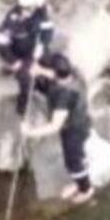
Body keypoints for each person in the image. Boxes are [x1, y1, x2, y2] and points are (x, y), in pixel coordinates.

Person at [22, 54, 94, 204]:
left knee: (72, 162)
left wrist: (29, 131)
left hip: (74, 129)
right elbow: (53, 76)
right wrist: (39, 71)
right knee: (78, 154)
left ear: (54, 74)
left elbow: (55, 126)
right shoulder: (74, 74)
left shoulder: (65, 95)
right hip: (82, 120)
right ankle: (81, 168)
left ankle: (85, 188)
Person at [0, 0, 56, 115]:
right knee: (26, 80)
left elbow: (47, 30)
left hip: (35, 48)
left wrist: (42, 45)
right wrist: (14, 62)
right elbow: (0, 45)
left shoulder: (42, 10)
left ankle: (48, 92)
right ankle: (22, 109)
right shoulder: (12, 20)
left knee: (52, 65)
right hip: (19, 54)